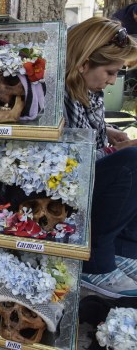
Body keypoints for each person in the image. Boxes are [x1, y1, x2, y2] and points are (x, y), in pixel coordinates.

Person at [64, 17, 137, 298]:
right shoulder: (61, 94)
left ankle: (123, 249)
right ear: (83, 64)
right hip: (67, 188)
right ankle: (96, 261)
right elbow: (70, 158)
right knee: (131, 165)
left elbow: (88, 129)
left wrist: (107, 131)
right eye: (109, 72)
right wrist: (114, 153)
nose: (112, 81)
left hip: (88, 172)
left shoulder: (88, 87)